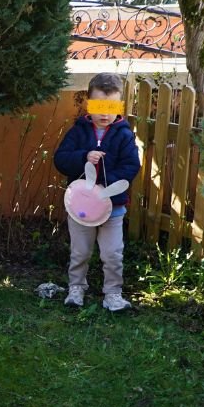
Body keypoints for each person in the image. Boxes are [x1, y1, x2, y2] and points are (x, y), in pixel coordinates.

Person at [53, 73, 141, 312]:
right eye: (99, 106)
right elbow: (60, 159)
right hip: (81, 207)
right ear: (89, 104)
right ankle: (76, 288)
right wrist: (83, 157)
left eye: (111, 107)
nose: (105, 113)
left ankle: (112, 293)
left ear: (119, 106)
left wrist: (105, 185)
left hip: (113, 207)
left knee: (112, 254)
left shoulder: (124, 135)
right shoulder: (78, 132)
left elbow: (131, 166)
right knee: (80, 251)